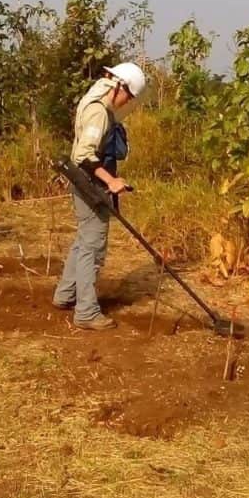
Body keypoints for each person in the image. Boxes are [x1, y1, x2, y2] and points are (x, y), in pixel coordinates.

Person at [53, 62, 146, 330]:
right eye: (128, 96)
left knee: (84, 241)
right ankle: (86, 312)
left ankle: (66, 294)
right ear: (119, 86)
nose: (127, 101)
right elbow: (84, 155)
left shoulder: (94, 102)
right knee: (92, 248)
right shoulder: (99, 112)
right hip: (89, 184)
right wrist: (111, 181)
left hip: (86, 182)